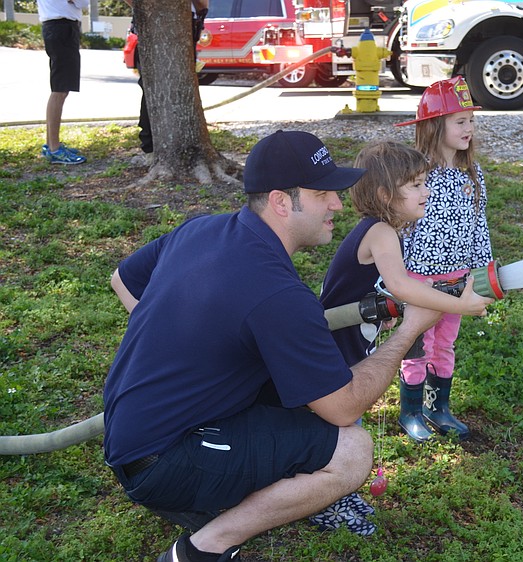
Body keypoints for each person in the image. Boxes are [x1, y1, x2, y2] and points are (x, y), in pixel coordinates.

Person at [103, 130, 441, 562]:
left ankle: (222, 479)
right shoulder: (279, 296)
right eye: (323, 194)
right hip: (162, 462)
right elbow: (344, 409)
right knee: (354, 451)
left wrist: (184, 341)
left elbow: (122, 280)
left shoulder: (202, 229)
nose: (338, 204)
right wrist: (408, 330)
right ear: (282, 202)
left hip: (131, 433)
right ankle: (204, 548)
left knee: (296, 390)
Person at [311, 140, 493, 528]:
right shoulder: (380, 232)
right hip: (334, 343)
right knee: (340, 427)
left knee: (345, 424)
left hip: (349, 337)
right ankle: (324, 502)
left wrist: (381, 313)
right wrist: (460, 305)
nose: (427, 191)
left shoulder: (381, 231)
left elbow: (382, 289)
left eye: (424, 182)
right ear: (385, 195)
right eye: (416, 185)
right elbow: (404, 286)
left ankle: (338, 496)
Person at [395, 76, 494, 442]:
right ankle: (411, 411)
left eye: (471, 121)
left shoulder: (472, 173)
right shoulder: (416, 174)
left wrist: (482, 271)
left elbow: (478, 222)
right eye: (460, 121)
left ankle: (439, 409)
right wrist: (395, 276)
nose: (469, 128)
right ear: (436, 125)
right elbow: (402, 227)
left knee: (445, 344)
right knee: (417, 344)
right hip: (419, 279)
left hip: (459, 280)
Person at [125, 0, 208, 157]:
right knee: (173, 83)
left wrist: (141, 6)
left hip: (150, 17)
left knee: (151, 84)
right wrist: (202, 10)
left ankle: (150, 143)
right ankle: (157, 143)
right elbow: (202, 4)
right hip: (178, 20)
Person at [37, 0, 89, 164]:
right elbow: (83, 2)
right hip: (62, 28)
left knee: (60, 89)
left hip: (58, 28)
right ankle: (54, 149)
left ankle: (51, 144)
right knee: (60, 90)